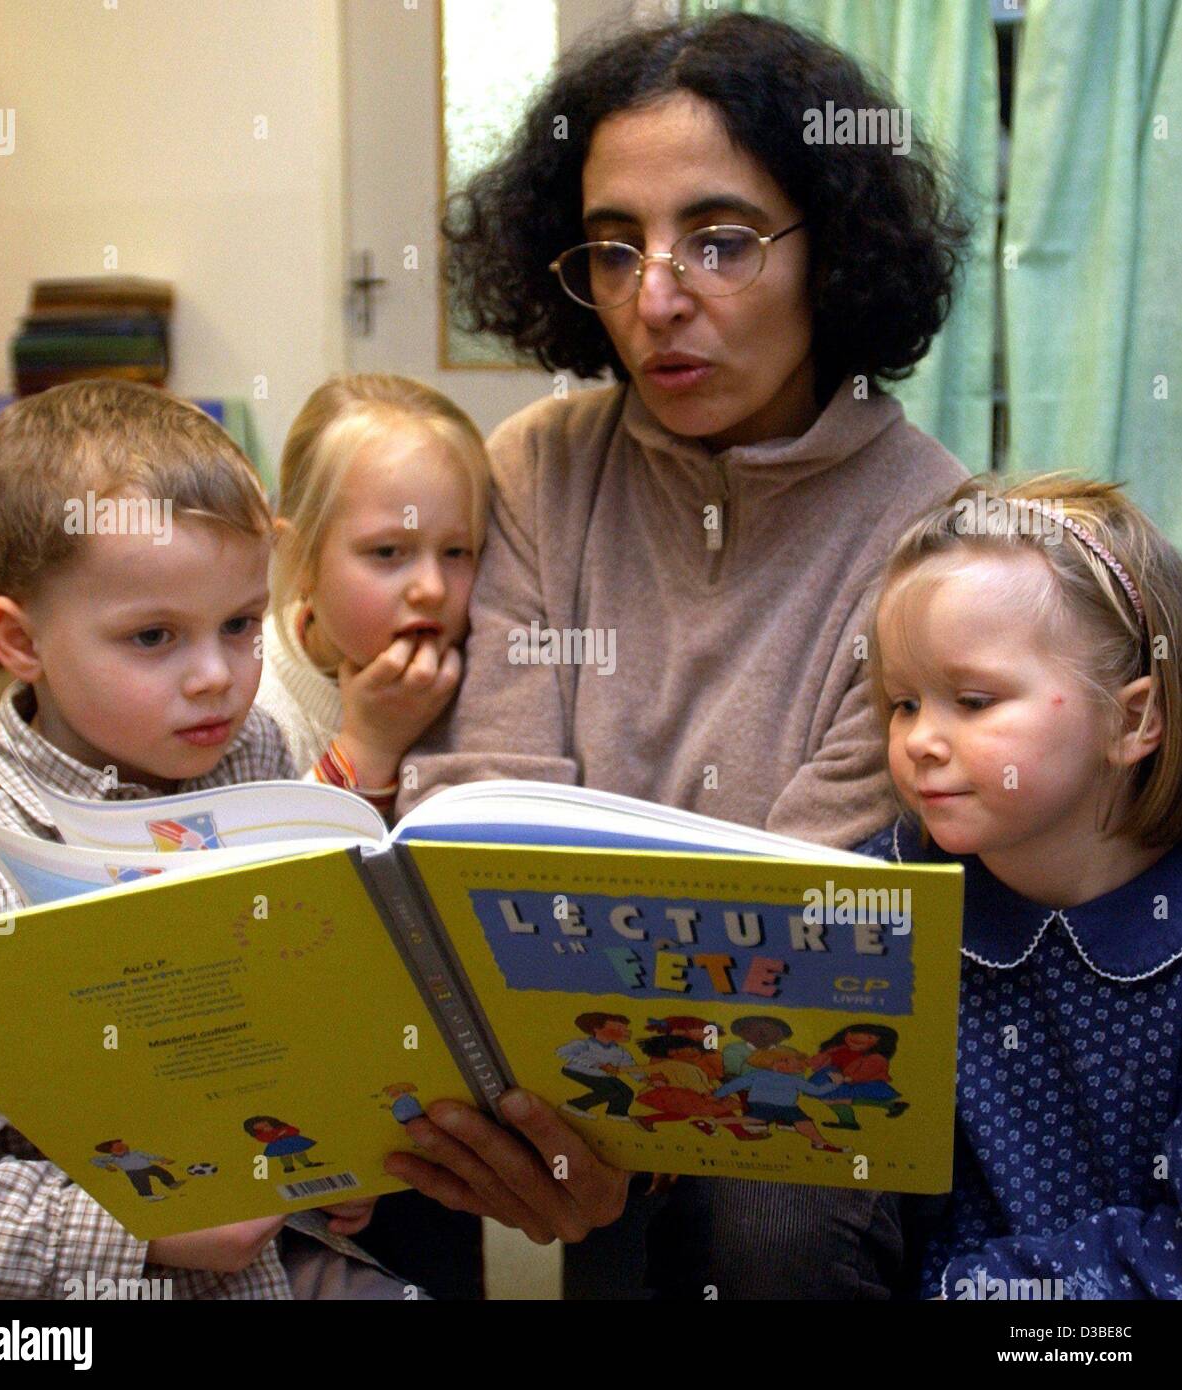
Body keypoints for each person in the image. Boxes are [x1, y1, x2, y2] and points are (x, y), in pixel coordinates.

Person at [388, 12, 971, 1296]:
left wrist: (627, 1146)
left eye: (719, 240)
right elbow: (475, 812)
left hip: (779, 1076)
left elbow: (807, 924)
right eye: (611, 249)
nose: (654, 299)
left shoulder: (932, 540)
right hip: (553, 1067)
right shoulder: (537, 468)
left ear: (835, 246)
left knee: (766, 1220)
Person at [0, 380, 403, 1299]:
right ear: (20, 641)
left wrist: (334, 1159)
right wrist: (138, 1225)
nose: (216, 679)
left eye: (239, 624)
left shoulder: (255, 753)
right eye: (154, 636)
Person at [859, 474, 1182, 1300]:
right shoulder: (877, 896)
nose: (922, 740)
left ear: (1133, 719)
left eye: (972, 700)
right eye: (903, 703)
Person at [257, 374, 489, 817]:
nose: (433, 589)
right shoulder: (253, 705)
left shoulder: (486, 676)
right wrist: (369, 744)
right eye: (387, 552)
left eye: (457, 551)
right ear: (300, 558)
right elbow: (264, 878)